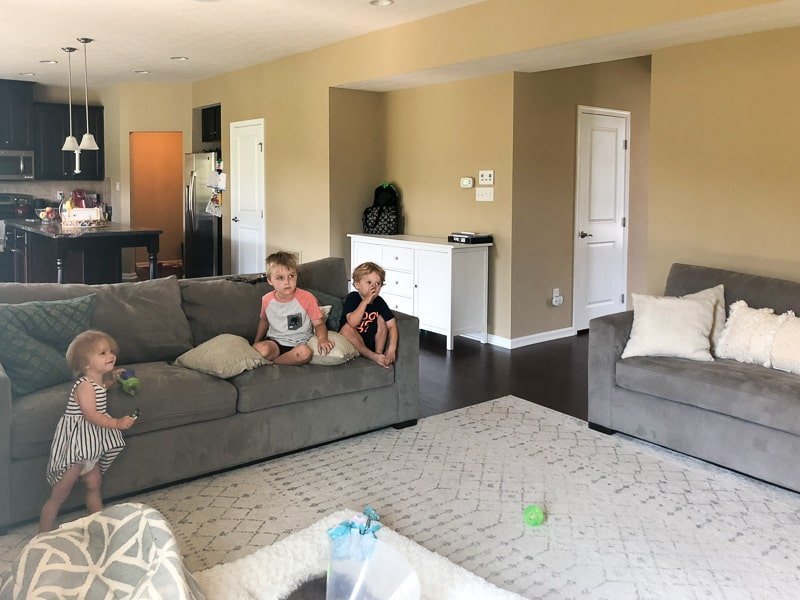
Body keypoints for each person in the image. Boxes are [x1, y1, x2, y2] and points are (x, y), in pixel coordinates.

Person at [39, 330, 136, 533]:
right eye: (102, 353)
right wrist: (117, 423)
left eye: (111, 351)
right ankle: (43, 533)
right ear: (85, 365)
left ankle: (98, 522)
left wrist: (114, 379)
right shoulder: (84, 386)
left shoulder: (97, 382)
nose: (111, 356)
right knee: (59, 494)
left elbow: (103, 387)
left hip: (90, 444)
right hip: (77, 446)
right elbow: (91, 415)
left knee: (94, 483)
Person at [253, 251, 335, 365]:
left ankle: (275, 363)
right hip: (275, 342)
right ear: (270, 280)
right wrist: (256, 341)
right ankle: (278, 360)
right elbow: (264, 321)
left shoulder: (307, 298)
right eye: (280, 278)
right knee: (260, 348)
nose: (287, 282)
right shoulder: (267, 299)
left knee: (305, 353)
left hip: (300, 343)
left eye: (291, 276)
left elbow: (319, 324)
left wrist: (322, 339)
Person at [339, 262, 398, 368]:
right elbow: (352, 322)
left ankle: (378, 354)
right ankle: (372, 356)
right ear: (357, 285)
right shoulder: (353, 297)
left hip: (370, 342)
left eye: (378, 283)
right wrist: (365, 301)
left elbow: (392, 325)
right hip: (353, 342)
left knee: (381, 319)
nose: (373, 287)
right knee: (346, 328)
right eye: (369, 282)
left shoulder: (379, 302)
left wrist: (391, 350)